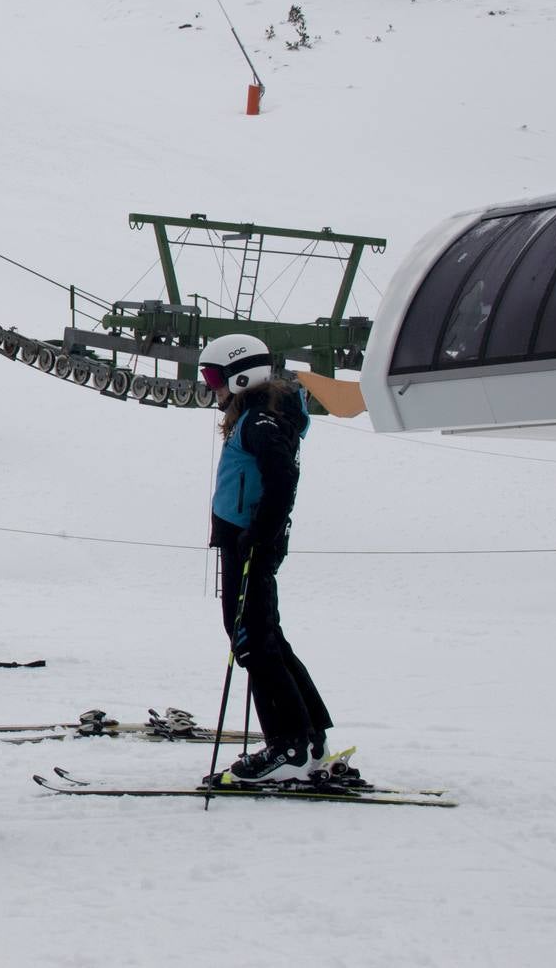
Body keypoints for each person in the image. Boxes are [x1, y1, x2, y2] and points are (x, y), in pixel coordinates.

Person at [200, 333, 333, 783]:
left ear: (241, 375)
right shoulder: (258, 415)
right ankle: (308, 737)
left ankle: (290, 745)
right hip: (247, 540)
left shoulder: (260, 422)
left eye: (214, 377)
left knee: (252, 641)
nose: (210, 387)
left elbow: (281, 477)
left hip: (250, 543)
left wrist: (259, 533)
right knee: (263, 636)